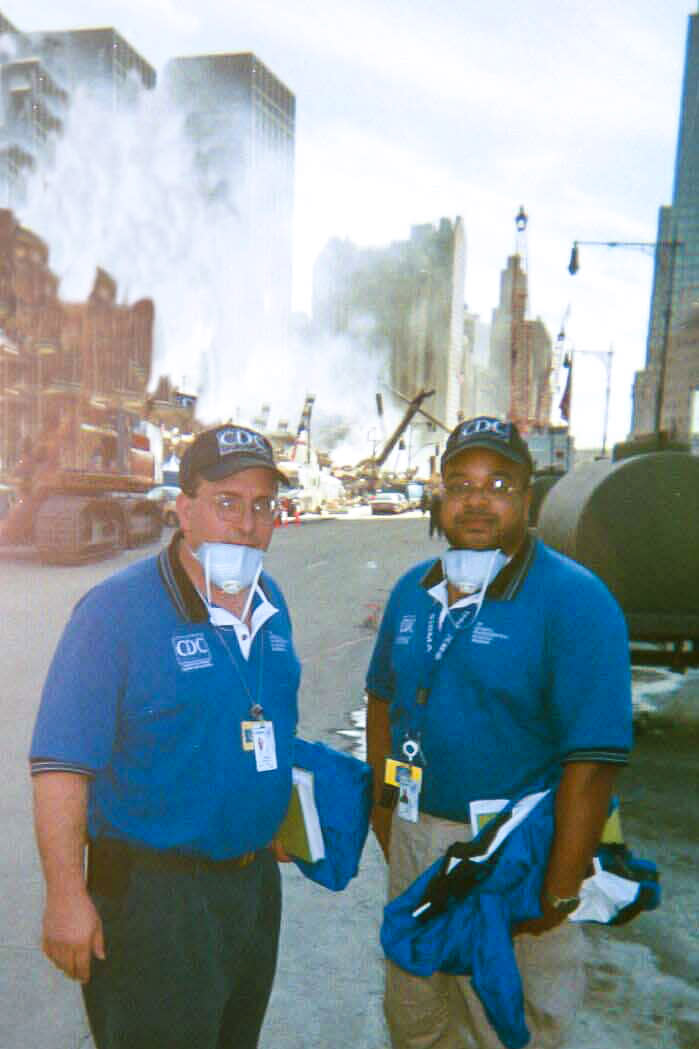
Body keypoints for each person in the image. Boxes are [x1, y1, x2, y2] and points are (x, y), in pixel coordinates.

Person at [30, 424, 301, 1049]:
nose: (247, 523)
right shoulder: (115, 612)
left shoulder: (270, 601)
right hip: (156, 901)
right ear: (184, 508)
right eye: (227, 501)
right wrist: (66, 898)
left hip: (253, 889)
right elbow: (60, 766)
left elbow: (270, 723)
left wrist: (277, 818)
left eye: (263, 506)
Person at [366, 415, 632, 1049]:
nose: (477, 500)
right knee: (417, 1019)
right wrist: (387, 818)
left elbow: (592, 762)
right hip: (415, 837)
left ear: (528, 497)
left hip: (513, 853)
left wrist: (561, 887)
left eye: (499, 484)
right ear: (439, 494)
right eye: (461, 483)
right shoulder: (412, 592)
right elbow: (381, 699)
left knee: (508, 1026)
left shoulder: (574, 601)